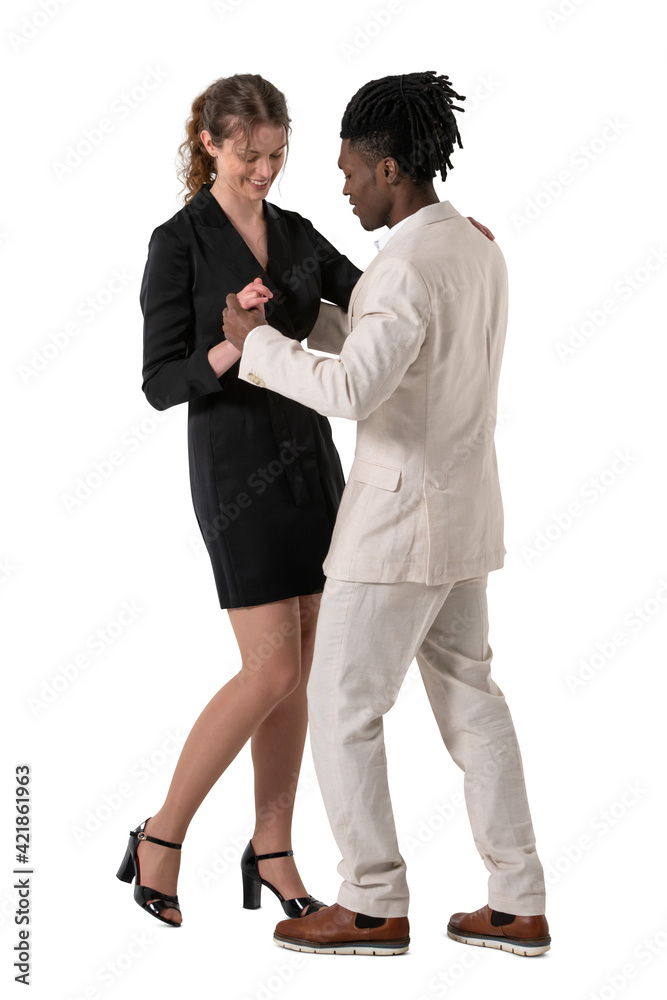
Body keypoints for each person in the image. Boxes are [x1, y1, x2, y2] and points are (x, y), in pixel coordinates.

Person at [116, 70, 498, 929]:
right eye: (250, 155)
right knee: (274, 668)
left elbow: (373, 298)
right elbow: (156, 382)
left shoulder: (292, 231)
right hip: (233, 467)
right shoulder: (176, 243)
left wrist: (450, 250)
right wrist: (232, 346)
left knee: (311, 665)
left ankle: (274, 846)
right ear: (210, 144)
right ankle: (160, 837)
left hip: (311, 465)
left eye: (278, 153)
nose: (266, 170)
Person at [223, 71, 550, 957]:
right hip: (465, 517)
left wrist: (257, 348)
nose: (342, 187)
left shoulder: (405, 262)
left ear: (391, 167)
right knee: (471, 701)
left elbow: (356, 388)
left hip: (396, 527)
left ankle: (370, 903)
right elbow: (404, 347)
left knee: (339, 702)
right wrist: (312, 319)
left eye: (350, 172)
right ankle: (517, 900)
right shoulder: (473, 248)